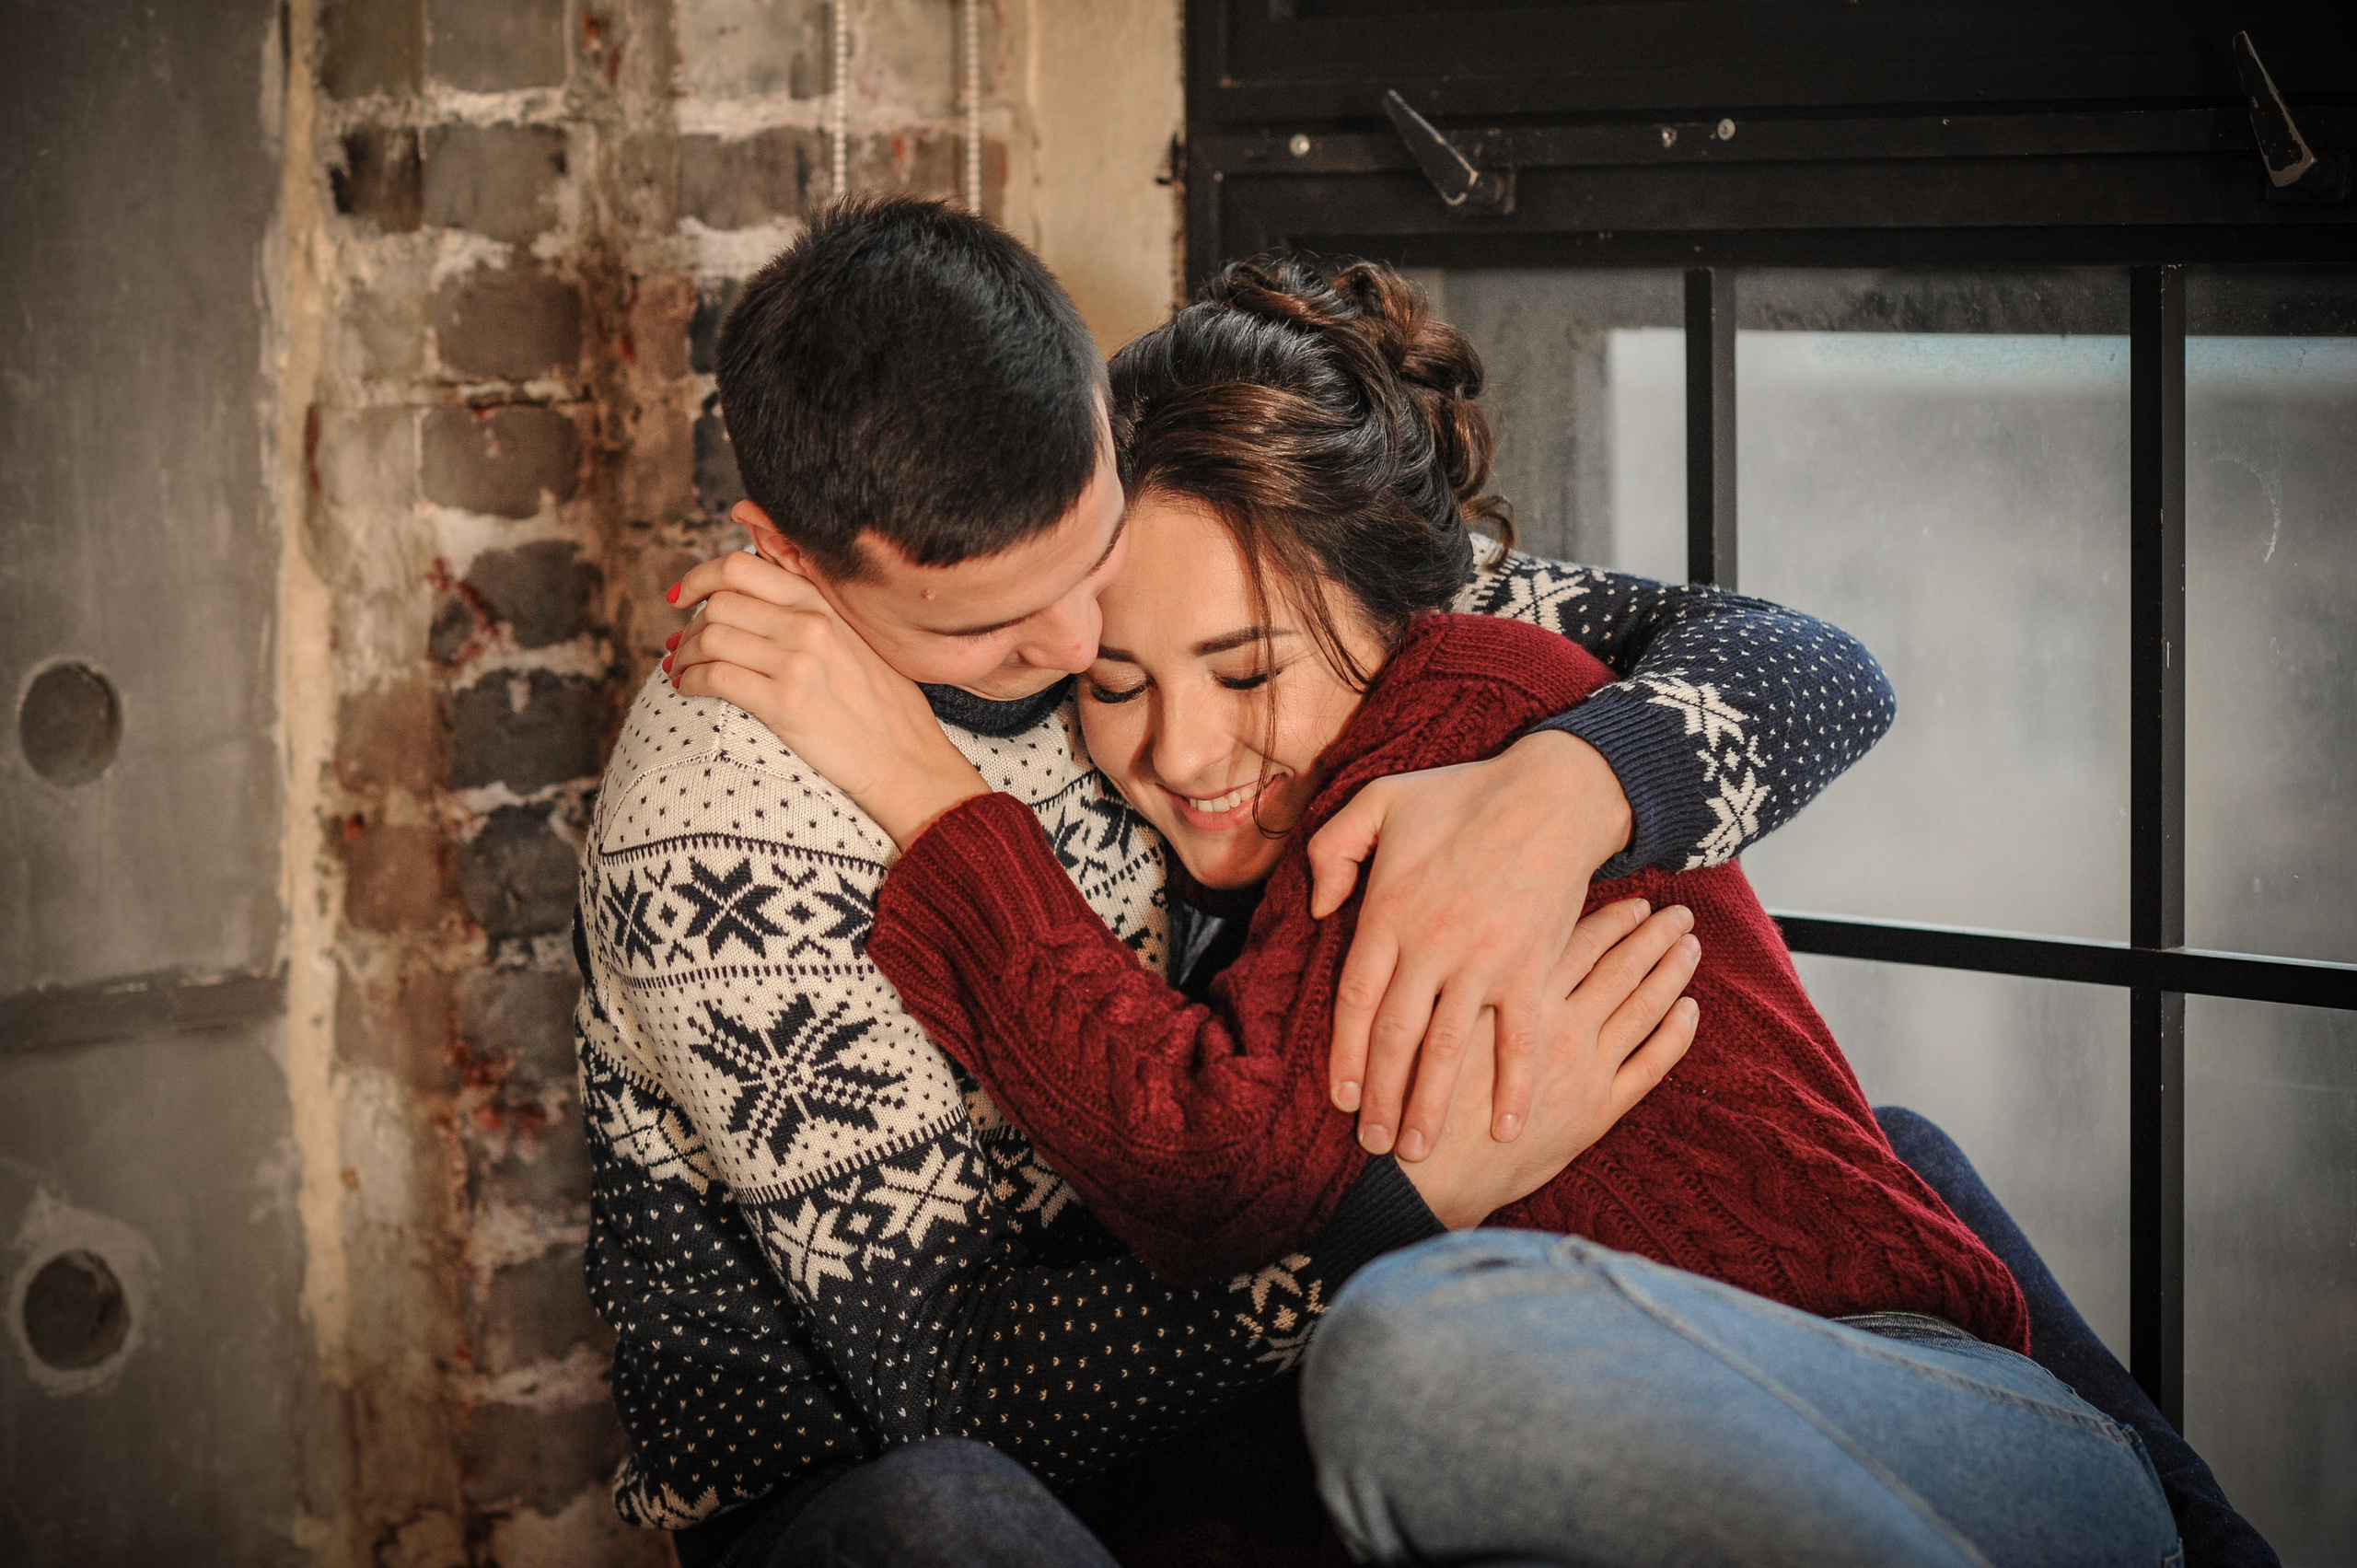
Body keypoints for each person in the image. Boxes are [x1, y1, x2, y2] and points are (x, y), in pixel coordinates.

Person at [672, 250, 2275, 1565]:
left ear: (1407, 608)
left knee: (1416, 1352)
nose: (1179, 745)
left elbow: (1208, 1159)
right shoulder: (1011, 771)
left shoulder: (1469, 688)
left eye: (1247, 670)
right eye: (1108, 677)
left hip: (1944, 1434)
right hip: (1627, 1472)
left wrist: (1557, 789)